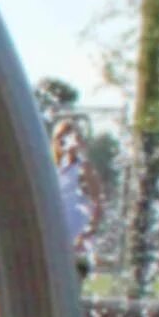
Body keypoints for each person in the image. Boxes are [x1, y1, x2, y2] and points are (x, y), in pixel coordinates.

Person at [53, 117, 103, 285]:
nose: (66, 142)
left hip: (76, 235)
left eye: (71, 136)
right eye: (62, 137)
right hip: (56, 233)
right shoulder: (52, 168)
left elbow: (98, 202)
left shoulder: (83, 167)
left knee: (71, 283)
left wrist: (88, 233)